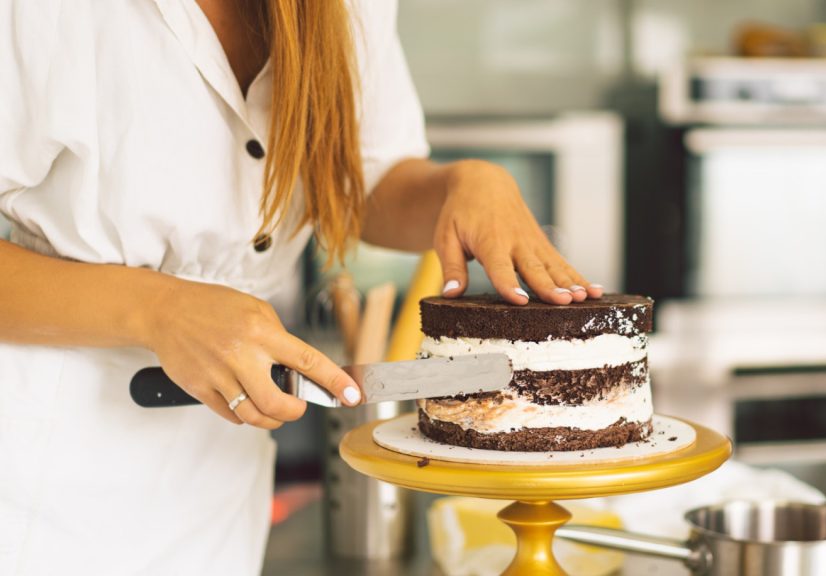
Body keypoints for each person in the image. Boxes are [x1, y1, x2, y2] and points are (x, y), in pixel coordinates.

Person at [0, 0, 602, 573]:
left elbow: (360, 180)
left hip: (219, 492)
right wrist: (158, 309)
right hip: (38, 494)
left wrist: (462, 185)